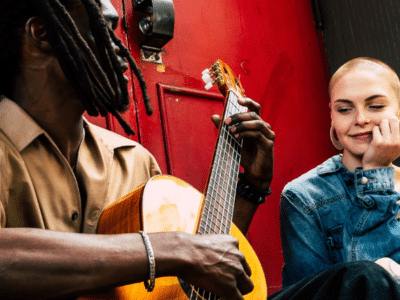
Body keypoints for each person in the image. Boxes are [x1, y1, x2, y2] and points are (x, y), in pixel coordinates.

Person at [0, 0, 275, 299]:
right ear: (42, 33)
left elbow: (202, 274)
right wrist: (171, 248)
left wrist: (251, 186)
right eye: (105, 28)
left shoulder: (135, 160)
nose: (121, 48)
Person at [276, 57, 400, 298]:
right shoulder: (302, 197)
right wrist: (374, 174)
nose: (360, 119)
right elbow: (344, 290)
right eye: (344, 109)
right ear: (332, 116)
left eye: (375, 106)